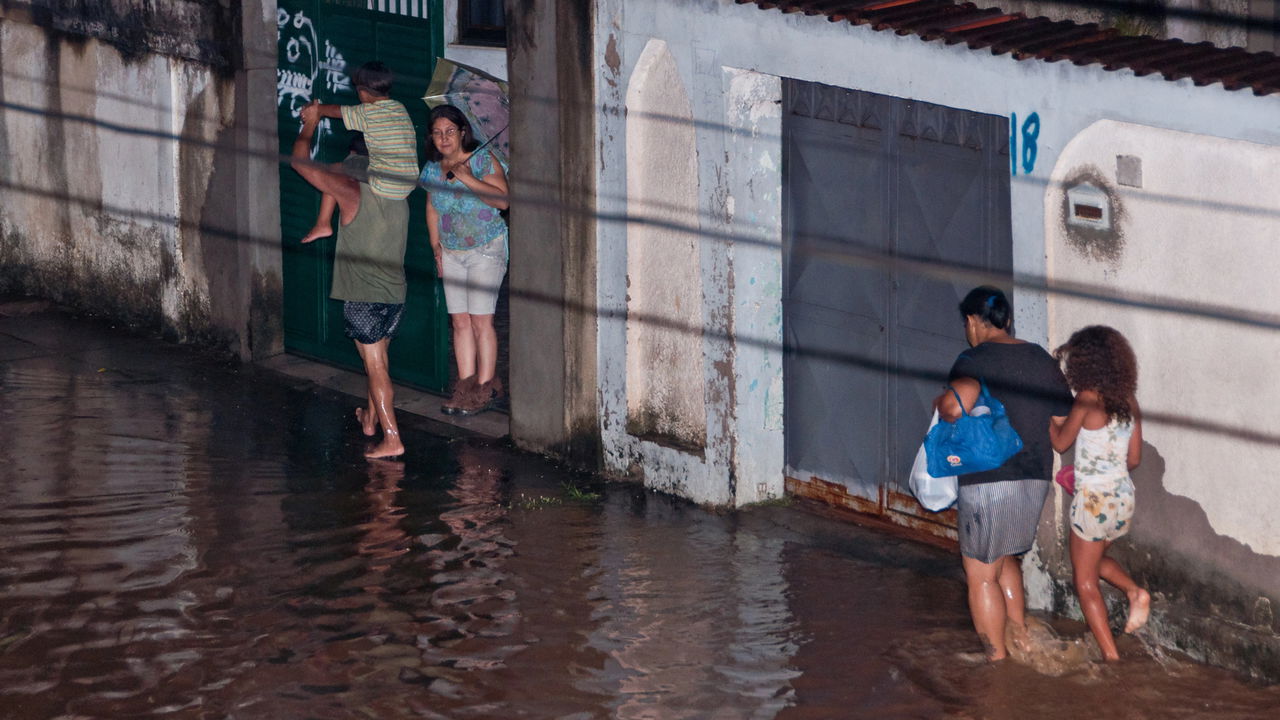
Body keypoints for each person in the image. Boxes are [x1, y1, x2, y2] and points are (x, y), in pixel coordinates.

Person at [935, 286, 1074, 661]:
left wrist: (945, 405)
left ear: (971, 322)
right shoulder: (1041, 360)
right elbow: (1062, 422)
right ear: (1007, 321)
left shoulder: (972, 360)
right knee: (1007, 558)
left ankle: (995, 663)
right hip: (1034, 478)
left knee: (980, 574)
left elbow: (953, 406)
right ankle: (1020, 636)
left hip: (988, 483)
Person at [290, 62, 417, 459]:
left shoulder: (353, 194)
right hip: (395, 292)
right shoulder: (400, 195)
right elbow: (345, 167)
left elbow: (301, 163)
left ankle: (392, 437)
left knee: (377, 367)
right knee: (374, 358)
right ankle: (369, 420)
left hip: (363, 292)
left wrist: (308, 126)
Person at [1049, 326, 1151, 661]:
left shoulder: (1086, 399)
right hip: (1122, 498)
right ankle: (1134, 592)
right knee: (1091, 564)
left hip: (1094, 502)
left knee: (1084, 582)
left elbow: (1061, 442)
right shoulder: (1128, 401)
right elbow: (1133, 459)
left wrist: (1051, 416)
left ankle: (1111, 657)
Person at [419, 104, 509, 416]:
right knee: (460, 321)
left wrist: (468, 177)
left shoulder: (482, 159)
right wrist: (435, 246)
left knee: (482, 320)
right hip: (452, 251)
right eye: (437, 132)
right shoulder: (432, 168)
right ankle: (465, 384)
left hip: (486, 248)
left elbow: (502, 200)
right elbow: (432, 207)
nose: (443, 138)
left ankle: (486, 387)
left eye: (449, 131)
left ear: (462, 132)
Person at [300, 133, 368, 244]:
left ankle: (323, 223)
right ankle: (322, 224)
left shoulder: (351, 191)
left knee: (333, 177)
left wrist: (309, 124)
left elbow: (299, 164)